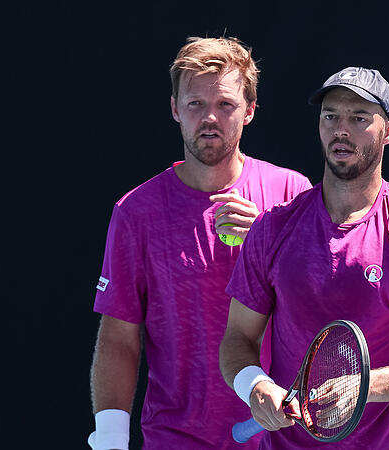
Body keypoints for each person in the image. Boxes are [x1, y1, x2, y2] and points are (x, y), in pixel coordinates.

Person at [219, 67, 389, 449]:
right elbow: (238, 338)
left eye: (359, 118)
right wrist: (255, 385)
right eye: (330, 116)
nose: (341, 130)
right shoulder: (272, 228)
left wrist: (366, 386)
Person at [88, 37, 312, 450]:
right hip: (176, 439)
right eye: (195, 104)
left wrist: (269, 240)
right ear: (175, 109)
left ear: (249, 111)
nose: (210, 117)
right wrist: (110, 442)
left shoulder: (293, 194)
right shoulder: (135, 212)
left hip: (281, 438)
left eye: (225, 104)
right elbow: (119, 338)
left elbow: (321, 306)